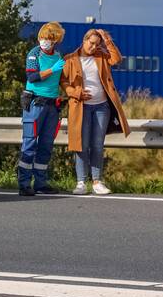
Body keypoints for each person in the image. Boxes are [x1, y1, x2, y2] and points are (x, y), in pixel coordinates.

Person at [60, 29, 131, 195]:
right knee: (81, 144)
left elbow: (117, 59)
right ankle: (81, 182)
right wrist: (75, 93)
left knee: (97, 145)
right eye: (91, 43)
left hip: (101, 106)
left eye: (96, 44)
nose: (93, 47)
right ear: (84, 40)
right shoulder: (70, 59)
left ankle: (97, 181)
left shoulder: (102, 56)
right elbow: (63, 81)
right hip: (81, 106)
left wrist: (106, 39)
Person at [19, 22, 66, 196]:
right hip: (35, 104)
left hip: (52, 105)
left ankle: (40, 182)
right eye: (42, 37)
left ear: (56, 40)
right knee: (30, 143)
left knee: (46, 146)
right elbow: (32, 77)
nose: (44, 41)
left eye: (48, 39)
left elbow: (60, 80)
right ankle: (24, 183)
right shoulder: (34, 54)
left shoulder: (58, 55)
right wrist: (52, 70)